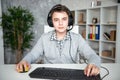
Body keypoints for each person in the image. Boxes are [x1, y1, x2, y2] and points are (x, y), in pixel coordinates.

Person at [16, 4, 101, 77]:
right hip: (48, 74)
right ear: (51, 22)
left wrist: (93, 64)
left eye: (64, 19)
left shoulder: (77, 38)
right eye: (56, 20)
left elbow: (92, 55)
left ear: (69, 21)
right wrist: (25, 60)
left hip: (71, 74)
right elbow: (33, 55)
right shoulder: (44, 38)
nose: (60, 23)